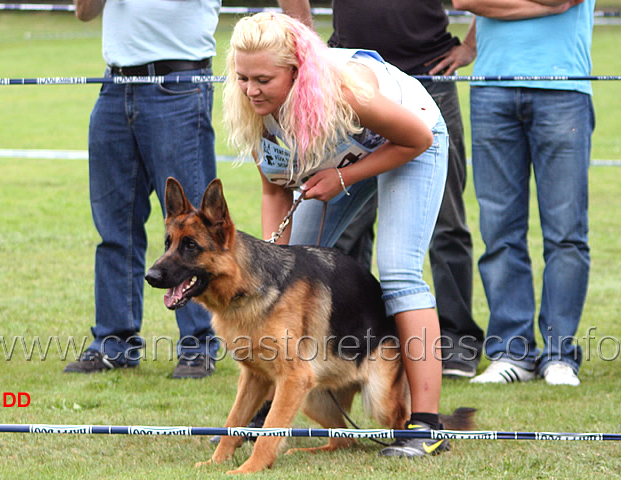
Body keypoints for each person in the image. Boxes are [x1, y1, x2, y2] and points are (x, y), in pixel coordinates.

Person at [224, 12, 449, 458]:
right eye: (243, 77)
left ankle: (426, 427)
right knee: (294, 269)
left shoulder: (345, 90)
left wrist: (344, 179)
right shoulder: (254, 106)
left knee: (400, 271)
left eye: (263, 79)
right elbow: (274, 186)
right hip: (340, 157)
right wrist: (274, 259)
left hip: (410, 140)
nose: (251, 90)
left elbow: (415, 139)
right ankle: (268, 412)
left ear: (295, 69)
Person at [279, 0, 484, 378]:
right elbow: (273, 190)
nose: (251, 88)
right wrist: (305, 44)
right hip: (344, 77)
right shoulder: (277, 95)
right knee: (329, 244)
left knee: (441, 226)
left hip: (426, 78)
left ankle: (455, 341)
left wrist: (471, 44)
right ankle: (348, 341)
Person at [63, 0, 220, 379]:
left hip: (178, 86)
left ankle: (199, 345)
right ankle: (113, 343)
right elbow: (84, 13)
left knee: (194, 229)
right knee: (114, 228)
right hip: (116, 86)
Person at [452, 0, 594, 386]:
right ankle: (511, 353)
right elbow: (466, 3)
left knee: (566, 233)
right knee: (499, 231)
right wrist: (549, 7)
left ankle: (559, 355)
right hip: (491, 92)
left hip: (563, 89)